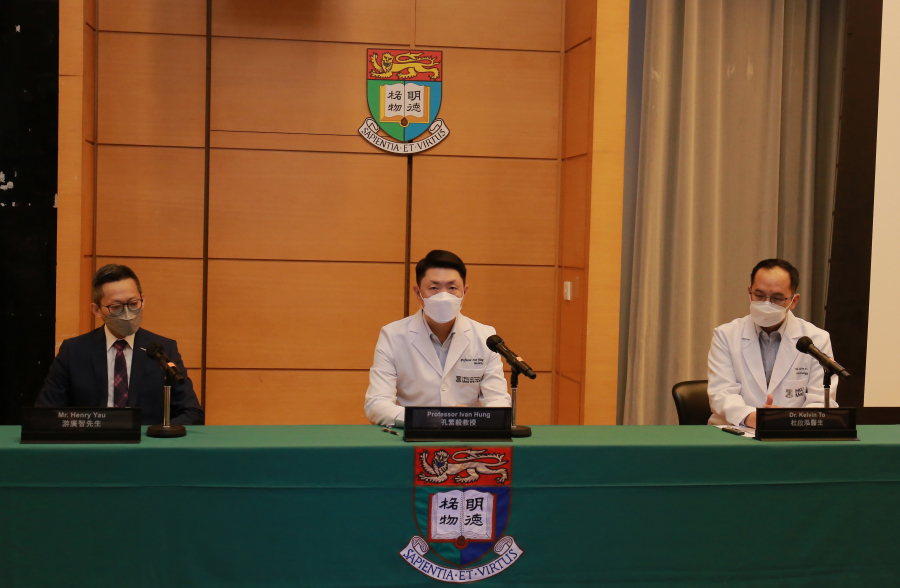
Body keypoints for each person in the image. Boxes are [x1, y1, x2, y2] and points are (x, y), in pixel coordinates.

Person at [36, 264, 204, 425]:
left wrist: (157, 433)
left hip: (147, 442)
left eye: (133, 304)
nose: (127, 313)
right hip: (93, 441)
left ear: (143, 300)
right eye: (116, 307)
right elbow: (45, 413)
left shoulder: (163, 349)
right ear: (96, 310)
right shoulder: (73, 351)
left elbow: (192, 412)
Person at [365, 250, 510, 426]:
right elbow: (377, 404)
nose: (444, 296)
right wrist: (433, 418)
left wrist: (470, 418)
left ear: (464, 292)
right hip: (413, 435)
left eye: (452, 288)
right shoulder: (393, 335)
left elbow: (499, 401)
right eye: (434, 288)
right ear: (418, 293)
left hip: (466, 436)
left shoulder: (485, 336)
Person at [707, 259, 837, 427]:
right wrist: (754, 418)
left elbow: (820, 402)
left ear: (794, 300)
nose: (766, 303)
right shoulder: (726, 335)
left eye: (777, 298)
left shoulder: (816, 339)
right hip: (734, 431)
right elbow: (721, 394)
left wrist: (789, 419)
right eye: (759, 295)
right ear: (749, 292)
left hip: (792, 434)